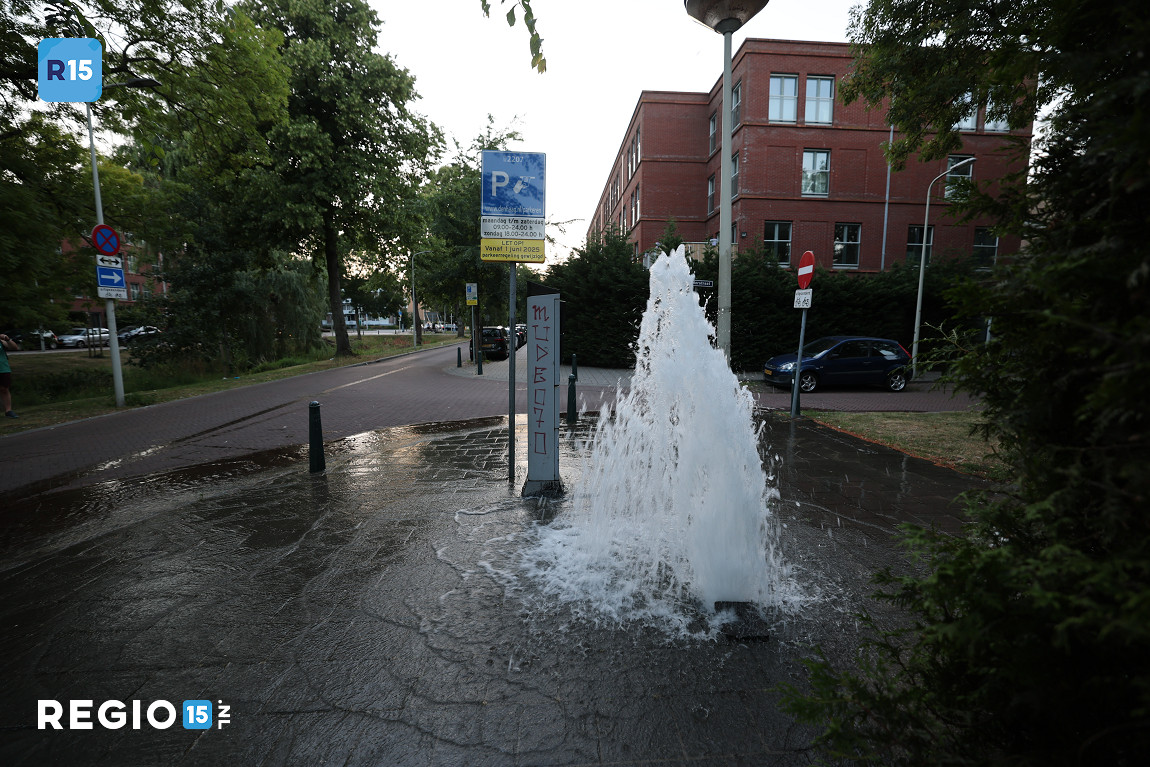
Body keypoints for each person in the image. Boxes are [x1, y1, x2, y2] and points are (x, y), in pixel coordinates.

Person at [0, 331, 18, 418]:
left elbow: (14, 347)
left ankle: (8, 411)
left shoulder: (1, 341)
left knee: (4, 389)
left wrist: (7, 339)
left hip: (3, 368)